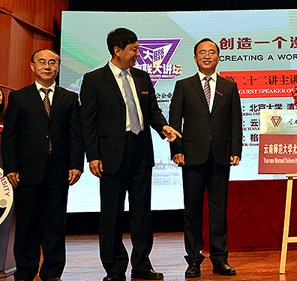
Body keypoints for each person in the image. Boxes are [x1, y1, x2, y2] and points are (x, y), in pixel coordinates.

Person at [79, 28, 181, 281]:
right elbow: (88, 123)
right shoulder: (94, 80)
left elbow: (152, 110)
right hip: (111, 155)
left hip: (140, 152)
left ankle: (142, 265)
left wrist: (163, 126)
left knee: (142, 213)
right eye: (134, 49)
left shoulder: (143, 78)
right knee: (111, 214)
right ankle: (114, 268)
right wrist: (93, 156)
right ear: (117, 51)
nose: (138, 54)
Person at [2, 49, 84, 281]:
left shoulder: (69, 98)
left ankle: (52, 272)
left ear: (58, 67)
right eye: (42, 62)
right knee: (27, 225)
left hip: (58, 172)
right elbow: (10, 137)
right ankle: (25, 271)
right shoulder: (19, 97)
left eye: (53, 62)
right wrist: (10, 168)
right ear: (32, 66)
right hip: (27, 173)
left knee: (55, 225)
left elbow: (75, 135)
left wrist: (76, 164)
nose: (48, 66)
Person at [169, 38, 242, 277]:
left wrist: (236, 150)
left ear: (219, 57)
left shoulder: (229, 86)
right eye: (202, 52)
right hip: (191, 156)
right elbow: (174, 121)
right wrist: (176, 150)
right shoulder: (183, 85)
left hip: (220, 156)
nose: (207, 56)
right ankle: (193, 259)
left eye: (212, 52)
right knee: (192, 210)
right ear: (195, 58)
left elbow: (235, 122)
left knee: (218, 210)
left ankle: (220, 259)